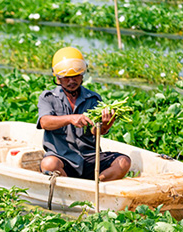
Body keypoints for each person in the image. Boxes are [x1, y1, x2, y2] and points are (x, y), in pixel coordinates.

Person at [37, 47, 131, 181]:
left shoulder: (93, 99)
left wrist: (105, 125)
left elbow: (96, 131)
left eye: (75, 76)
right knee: (49, 164)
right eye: (66, 78)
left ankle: (95, 184)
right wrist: (70, 119)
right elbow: (45, 122)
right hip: (62, 158)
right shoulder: (48, 98)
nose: (71, 81)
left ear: (82, 75)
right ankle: (70, 188)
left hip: (89, 157)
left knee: (124, 162)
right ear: (58, 78)